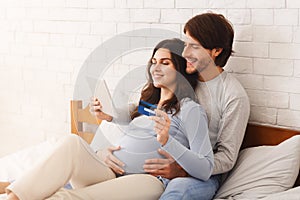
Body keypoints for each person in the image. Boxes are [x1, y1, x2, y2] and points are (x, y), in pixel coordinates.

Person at [3, 38, 214, 200]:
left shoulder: (190, 109)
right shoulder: (147, 103)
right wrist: (102, 148)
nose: (155, 68)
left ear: (180, 68)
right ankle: (14, 196)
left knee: (68, 197)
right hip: (109, 172)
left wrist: (168, 142)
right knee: (72, 142)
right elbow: (122, 117)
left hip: (147, 181)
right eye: (153, 62)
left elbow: (205, 168)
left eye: (165, 63)